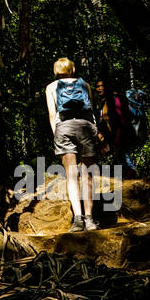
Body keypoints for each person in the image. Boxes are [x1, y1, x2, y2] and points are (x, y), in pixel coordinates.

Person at [44, 58, 100, 232]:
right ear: (72, 69)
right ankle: (89, 219)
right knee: (87, 174)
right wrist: (95, 131)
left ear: (56, 70)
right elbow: (91, 111)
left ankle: (77, 219)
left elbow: (52, 115)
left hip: (64, 127)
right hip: (85, 126)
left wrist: (57, 133)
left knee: (71, 175)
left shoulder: (51, 87)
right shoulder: (85, 85)